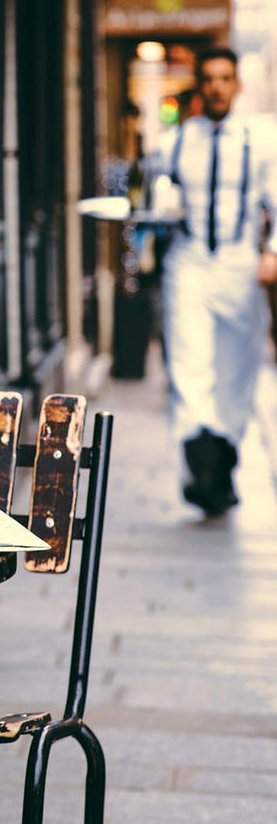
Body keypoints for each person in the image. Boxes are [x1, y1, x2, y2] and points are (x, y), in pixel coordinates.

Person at [147, 47, 277, 515]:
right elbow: (152, 201)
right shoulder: (175, 142)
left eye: (226, 78)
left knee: (237, 367)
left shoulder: (261, 143)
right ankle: (202, 464)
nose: (218, 86)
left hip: (240, 263)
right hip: (189, 261)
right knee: (189, 362)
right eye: (210, 78)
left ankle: (222, 460)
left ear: (237, 85)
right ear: (200, 86)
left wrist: (273, 254)